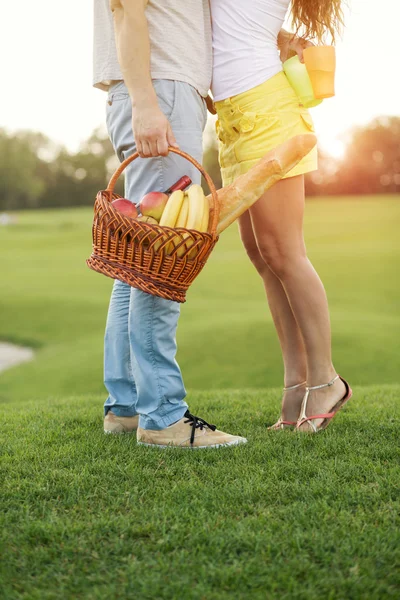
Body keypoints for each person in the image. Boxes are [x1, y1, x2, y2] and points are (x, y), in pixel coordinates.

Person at [93, 0, 247, 448]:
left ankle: (125, 407)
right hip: (159, 90)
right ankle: (163, 417)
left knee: (139, 262)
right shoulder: (153, 94)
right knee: (163, 259)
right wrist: (146, 103)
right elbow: (126, 9)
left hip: (160, 89)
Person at [210, 0, 352, 432]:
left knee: (285, 252)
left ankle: (327, 380)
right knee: (262, 256)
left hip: (266, 111)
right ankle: (296, 383)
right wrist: (284, 37)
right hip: (230, 119)